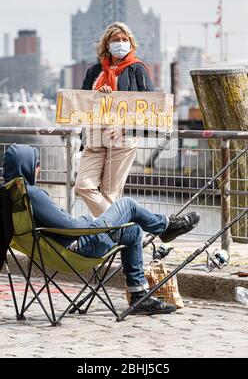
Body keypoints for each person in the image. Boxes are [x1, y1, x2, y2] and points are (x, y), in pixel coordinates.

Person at [3, 144, 200, 315]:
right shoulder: (33, 195)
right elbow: (68, 226)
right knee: (127, 205)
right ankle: (167, 226)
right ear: (27, 166)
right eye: (37, 165)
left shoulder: (12, 195)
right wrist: (89, 221)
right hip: (80, 246)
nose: (39, 170)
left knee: (133, 232)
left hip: (56, 252)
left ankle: (139, 295)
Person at [75, 21, 155, 217]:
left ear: (130, 43)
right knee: (83, 185)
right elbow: (83, 102)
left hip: (122, 136)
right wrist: (98, 95)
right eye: (116, 39)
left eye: (124, 39)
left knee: (110, 194)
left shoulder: (137, 69)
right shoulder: (94, 71)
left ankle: (108, 240)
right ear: (107, 44)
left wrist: (126, 130)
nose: (120, 43)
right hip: (94, 136)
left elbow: (150, 105)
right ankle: (121, 225)